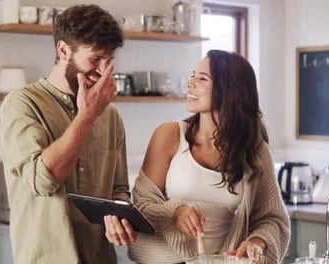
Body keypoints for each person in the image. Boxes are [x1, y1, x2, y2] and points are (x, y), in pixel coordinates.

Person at [106, 50, 290, 263]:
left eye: (201, 79)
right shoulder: (170, 135)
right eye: (193, 75)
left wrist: (257, 242)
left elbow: (272, 219)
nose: (189, 83)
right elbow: (143, 203)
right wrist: (175, 212)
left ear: (229, 90)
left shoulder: (254, 151)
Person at [0, 4, 135, 264]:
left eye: (109, 61)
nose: (105, 71)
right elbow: (42, 181)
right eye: (95, 59)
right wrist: (87, 116)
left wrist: (118, 215)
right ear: (63, 50)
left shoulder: (111, 115)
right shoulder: (22, 103)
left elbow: (119, 189)